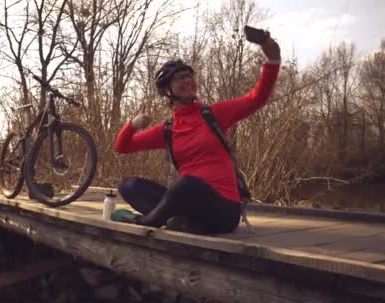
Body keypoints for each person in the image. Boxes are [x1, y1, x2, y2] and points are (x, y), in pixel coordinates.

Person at [111, 33, 281, 235]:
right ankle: (185, 223)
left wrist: (272, 59)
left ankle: (145, 222)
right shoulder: (167, 129)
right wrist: (132, 125)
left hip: (224, 209)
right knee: (129, 186)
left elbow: (257, 98)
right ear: (167, 90)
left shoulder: (214, 114)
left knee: (187, 185)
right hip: (187, 200)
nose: (188, 80)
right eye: (180, 78)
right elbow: (122, 147)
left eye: (190, 76)